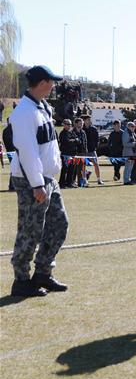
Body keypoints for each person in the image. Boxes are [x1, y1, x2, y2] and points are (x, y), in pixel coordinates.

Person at [9, 65, 69, 297]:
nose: (53, 85)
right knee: (30, 230)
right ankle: (21, 280)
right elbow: (27, 151)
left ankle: (43, 272)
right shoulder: (24, 112)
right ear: (43, 83)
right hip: (32, 180)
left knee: (59, 224)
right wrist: (36, 184)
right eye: (51, 81)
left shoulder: (42, 108)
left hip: (47, 178)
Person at [83, 116, 103, 185]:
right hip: (84, 150)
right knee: (83, 165)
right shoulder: (82, 129)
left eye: (89, 120)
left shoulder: (93, 129)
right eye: (88, 120)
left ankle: (99, 179)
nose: (89, 121)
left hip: (92, 150)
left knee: (96, 164)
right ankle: (84, 179)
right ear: (84, 121)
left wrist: (95, 146)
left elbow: (97, 139)